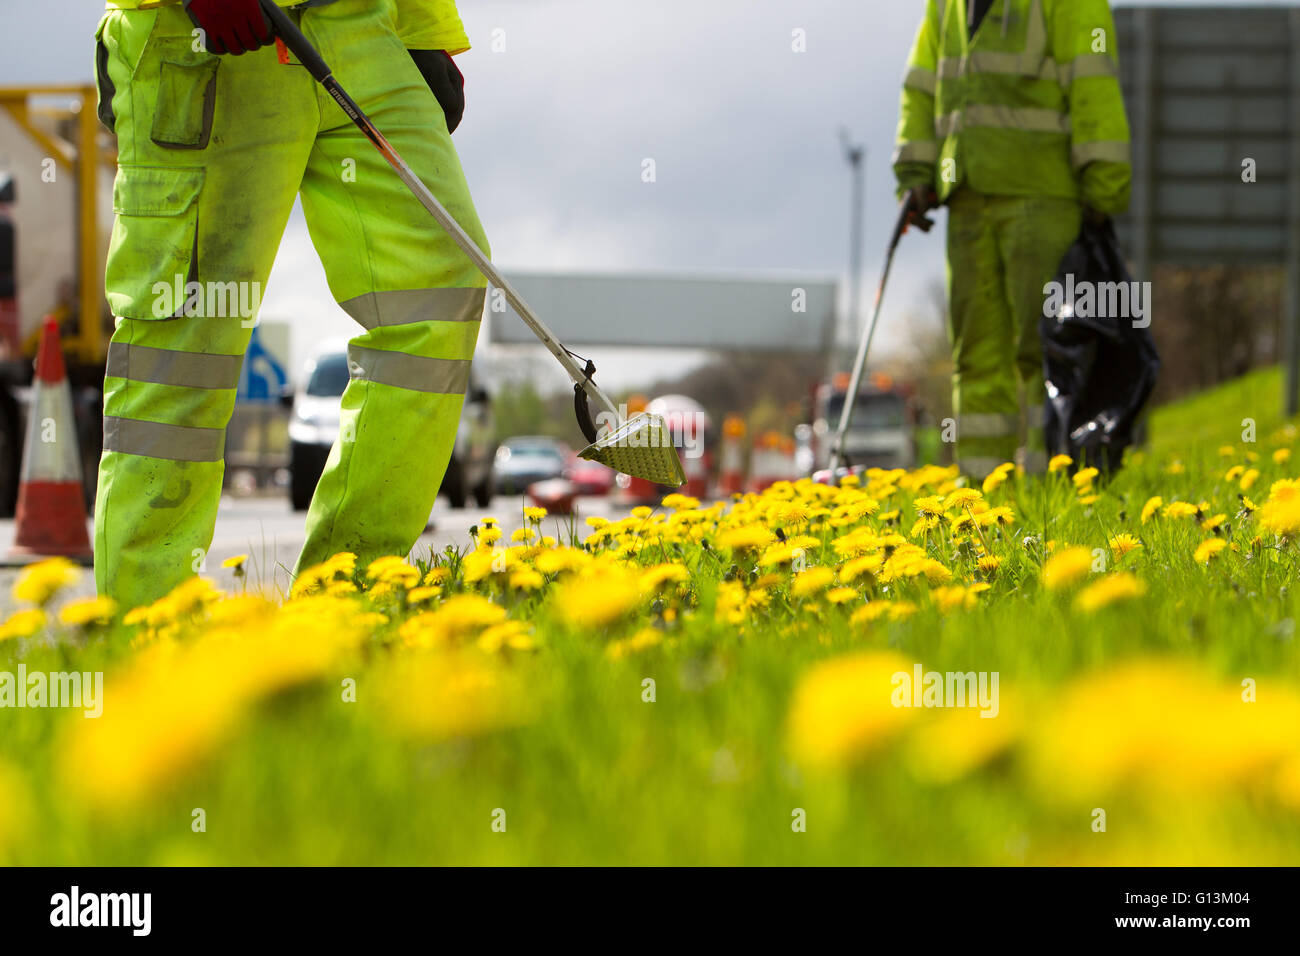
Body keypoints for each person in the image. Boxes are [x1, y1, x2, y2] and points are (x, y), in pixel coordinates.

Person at [92, 0, 487, 608]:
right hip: (207, 38)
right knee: (184, 335)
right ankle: (148, 627)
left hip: (362, 31)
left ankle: (348, 595)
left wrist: (423, 28)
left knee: (438, 294)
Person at [893, 0, 1131, 477]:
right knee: (976, 359)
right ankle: (982, 505)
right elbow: (921, 85)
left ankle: (1054, 491)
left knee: (1046, 352)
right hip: (967, 200)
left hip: (1041, 197)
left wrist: (1103, 185)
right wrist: (917, 171)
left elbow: (1092, 84)